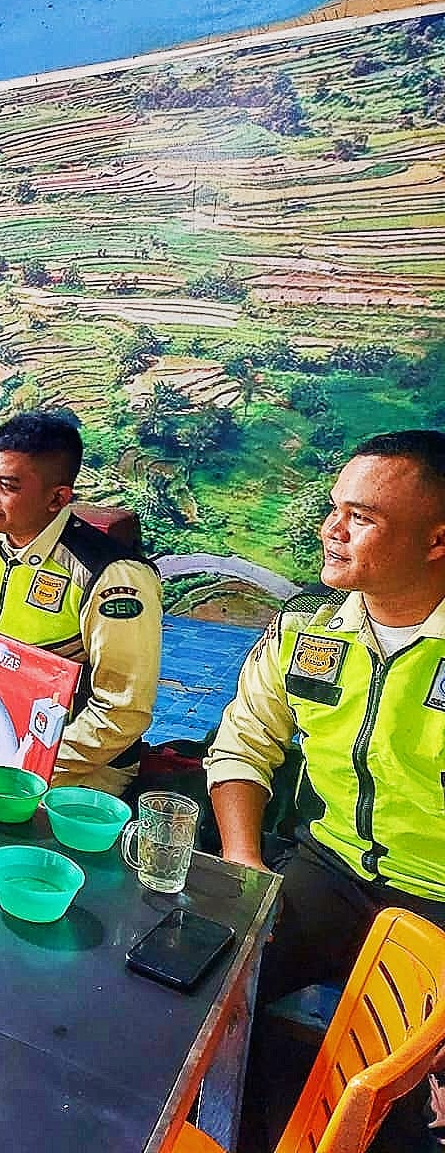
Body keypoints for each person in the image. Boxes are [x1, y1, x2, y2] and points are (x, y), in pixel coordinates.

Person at [208, 429, 445, 1002]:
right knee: (202, 981)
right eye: (333, 509)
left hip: (437, 899)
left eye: (360, 518)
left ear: (437, 540)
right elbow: (243, 742)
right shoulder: (306, 624)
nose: (331, 532)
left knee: (413, 1071)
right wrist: (246, 867)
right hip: (329, 869)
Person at [0, 412, 162, 795]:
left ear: (58, 498)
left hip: (75, 765)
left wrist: (29, 763)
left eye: (8, 485)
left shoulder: (113, 577)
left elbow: (122, 711)